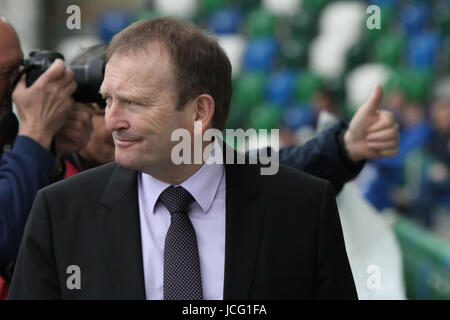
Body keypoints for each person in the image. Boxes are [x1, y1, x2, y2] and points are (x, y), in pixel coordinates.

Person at [9, 17, 360, 299]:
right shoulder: (60, 213)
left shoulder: (303, 208)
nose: (113, 121)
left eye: (133, 102)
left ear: (199, 111)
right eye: (107, 101)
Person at [0, 16, 93, 287]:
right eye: (6, 74)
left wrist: (50, 158)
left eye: (22, 68)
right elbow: (4, 238)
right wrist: (36, 135)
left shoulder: (8, 129)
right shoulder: (25, 133)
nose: (19, 83)